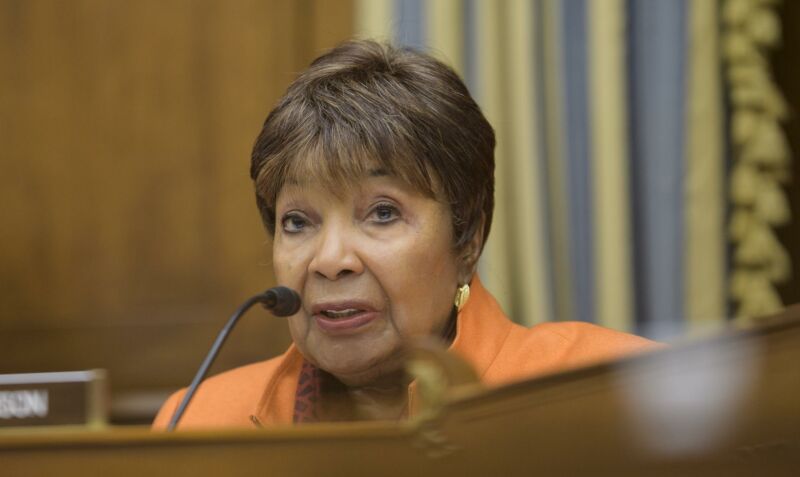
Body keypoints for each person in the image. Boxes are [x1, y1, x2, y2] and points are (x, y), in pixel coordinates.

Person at [153, 40, 656, 429]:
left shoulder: (609, 391)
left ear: (468, 237)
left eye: (383, 213)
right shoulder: (199, 419)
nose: (330, 260)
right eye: (298, 222)